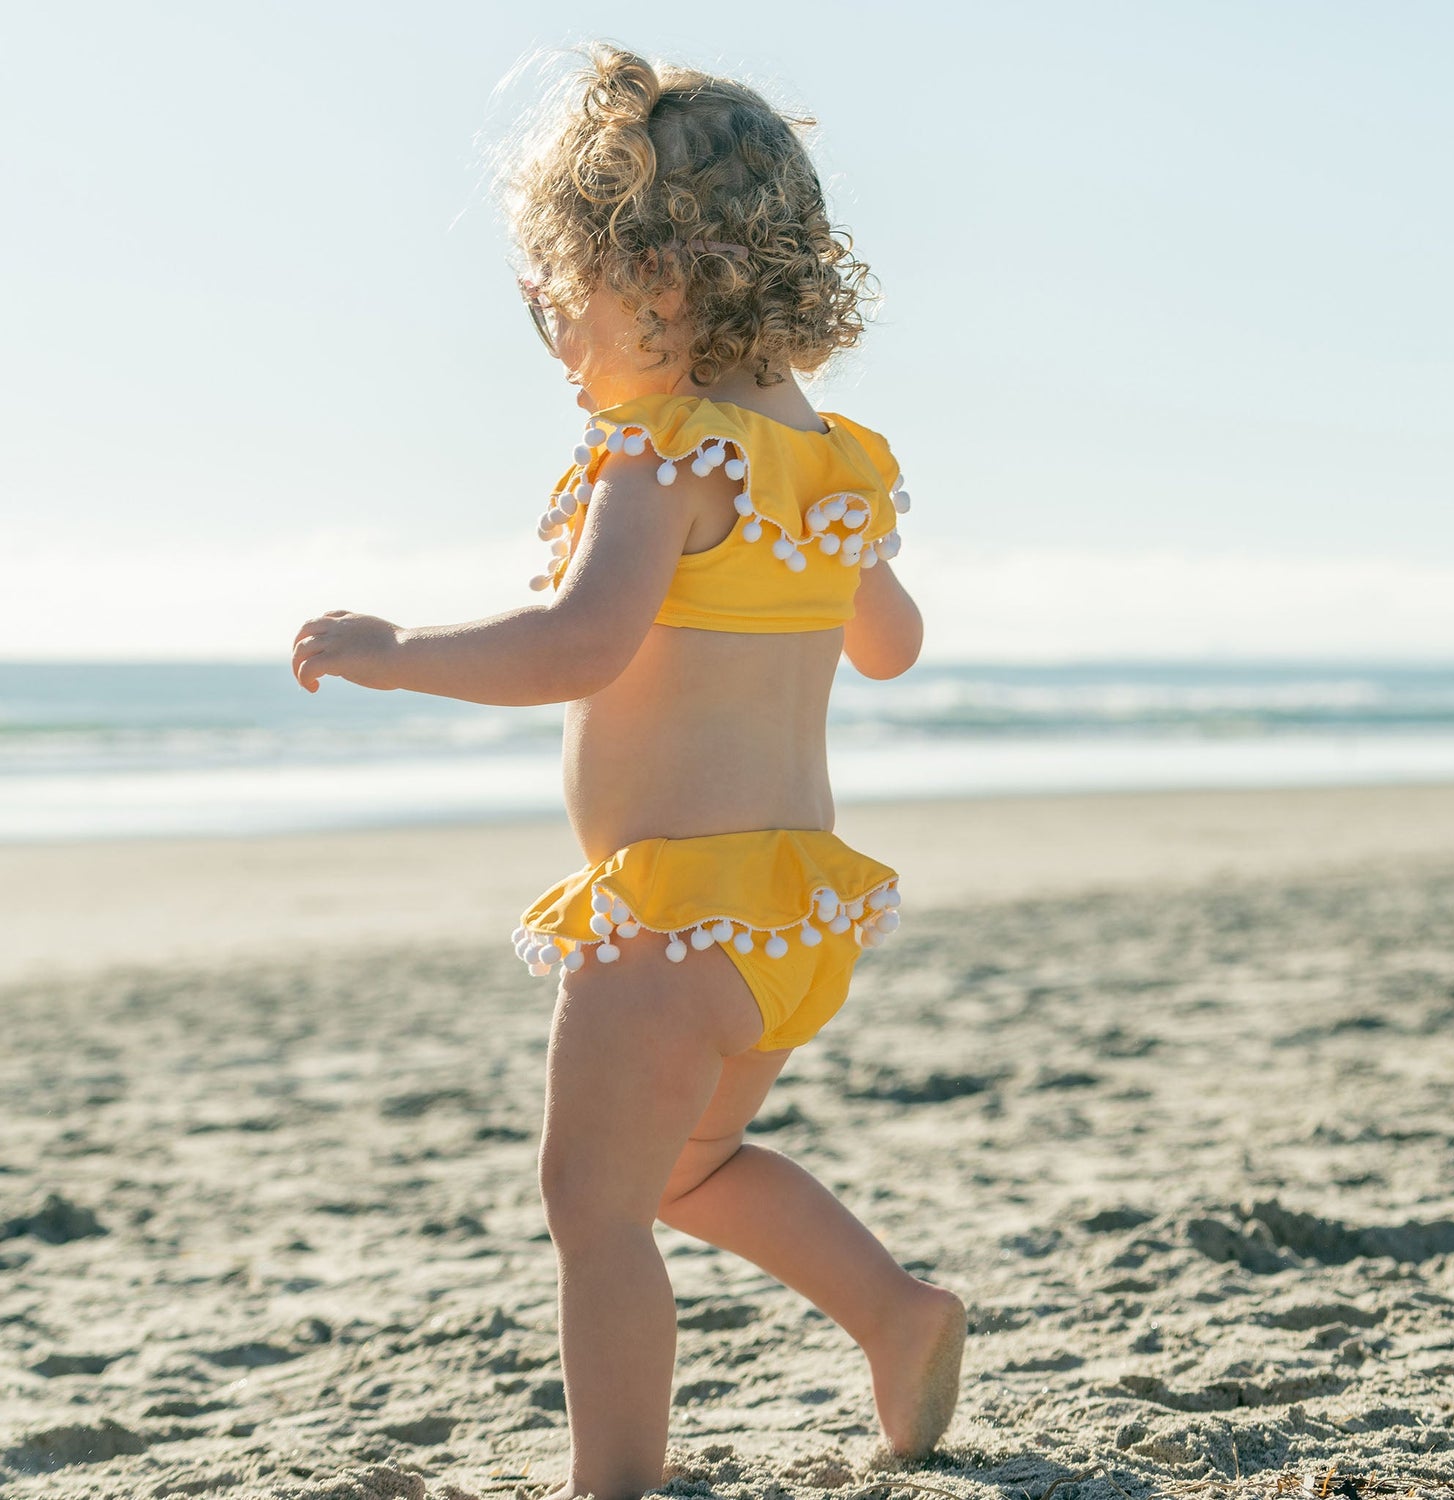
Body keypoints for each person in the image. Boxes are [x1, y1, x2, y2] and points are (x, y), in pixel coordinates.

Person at [290, 41, 966, 1500]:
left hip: (671, 921)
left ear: (656, 286)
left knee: (593, 1211)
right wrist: (811, 584)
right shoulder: (834, 467)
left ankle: (614, 1484)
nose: (559, 343)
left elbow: (577, 646)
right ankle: (897, 1313)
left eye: (560, 303)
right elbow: (894, 644)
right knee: (686, 1171)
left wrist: (397, 649)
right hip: (794, 922)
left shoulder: (662, 464)